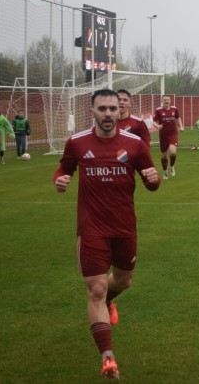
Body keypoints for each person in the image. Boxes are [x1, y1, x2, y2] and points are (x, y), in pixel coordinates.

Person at [53, 89, 160, 379]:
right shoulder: (77, 143)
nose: (109, 113)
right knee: (96, 289)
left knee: (123, 281)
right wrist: (60, 181)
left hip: (124, 227)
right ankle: (108, 357)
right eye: (102, 108)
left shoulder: (135, 145)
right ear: (92, 111)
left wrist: (153, 180)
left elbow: (152, 182)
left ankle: (110, 300)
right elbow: (62, 170)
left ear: (119, 110)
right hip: (91, 228)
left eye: (113, 108)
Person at [152, 95, 184, 179]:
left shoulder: (174, 109)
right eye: (165, 100)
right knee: (164, 155)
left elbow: (178, 118)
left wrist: (181, 126)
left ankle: (172, 166)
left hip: (173, 134)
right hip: (163, 135)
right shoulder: (158, 110)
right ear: (162, 101)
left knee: (173, 152)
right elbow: (154, 122)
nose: (166, 101)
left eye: (168, 100)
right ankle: (165, 171)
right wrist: (158, 126)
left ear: (170, 101)